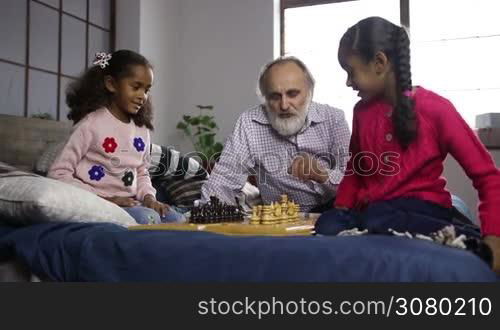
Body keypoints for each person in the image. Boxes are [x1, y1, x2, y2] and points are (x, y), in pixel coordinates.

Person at [313, 17, 500, 274]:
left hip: (422, 211)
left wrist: (495, 237)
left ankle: (467, 241)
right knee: (327, 224)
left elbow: (488, 177)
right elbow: (356, 171)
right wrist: (341, 211)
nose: (348, 82)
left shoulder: (436, 109)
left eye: (350, 71)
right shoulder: (361, 112)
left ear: (379, 62)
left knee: (384, 216)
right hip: (375, 214)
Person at [48, 49, 185, 224]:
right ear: (111, 84)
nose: (142, 96)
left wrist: (150, 199)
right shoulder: (91, 124)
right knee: (148, 218)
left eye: (146, 90)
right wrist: (106, 199)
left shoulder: (142, 129)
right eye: (136, 87)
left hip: (133, 203)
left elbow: (142, 172)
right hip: (99, 203)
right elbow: (58, 173)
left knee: (177, 219)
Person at [200, 57, 351, 212]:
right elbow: (224, 180)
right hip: (279, 220)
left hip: (332, 213)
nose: (284, 105)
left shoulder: (334, 119)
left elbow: (354, 185)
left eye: (293, 94)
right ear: (264, 98)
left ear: (309, 93)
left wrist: (323, 175)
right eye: (274, 96)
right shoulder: (249, 123)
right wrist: (205, 217)